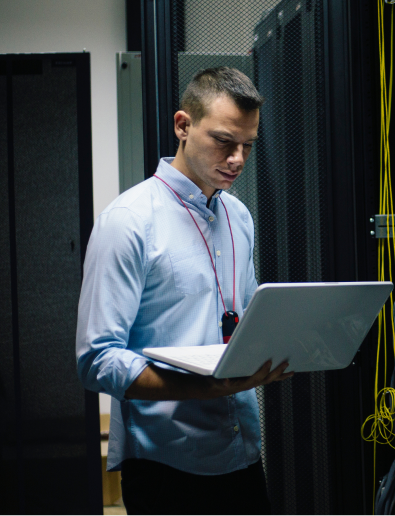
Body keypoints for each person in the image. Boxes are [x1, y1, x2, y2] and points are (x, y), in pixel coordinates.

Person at [76, 67, 291, 515]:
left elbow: (247, 320)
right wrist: (205, 389)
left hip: (241, 454)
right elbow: (97, 360)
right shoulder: (128, 221)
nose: (237, 159)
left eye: (247, 146)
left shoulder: (238, 217)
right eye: (224, 141)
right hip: (165, 469)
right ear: (182, 125)